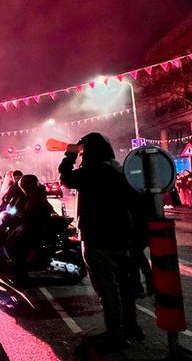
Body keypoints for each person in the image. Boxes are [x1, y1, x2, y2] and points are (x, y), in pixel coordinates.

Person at [59, 132, 140, 348]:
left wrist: (69, 156)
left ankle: (116, 335)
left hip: (98, 236)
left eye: (83, 150)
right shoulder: (118, 170)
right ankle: (131, 328)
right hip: (122, 235)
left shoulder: (92, 172)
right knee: (124, 286)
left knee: (107, 289)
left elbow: (66, 179)